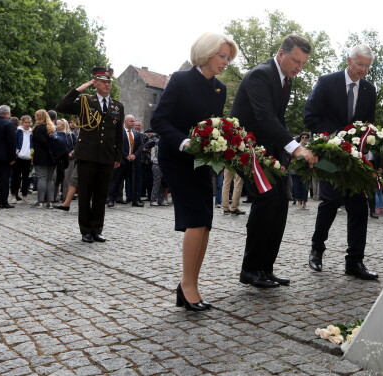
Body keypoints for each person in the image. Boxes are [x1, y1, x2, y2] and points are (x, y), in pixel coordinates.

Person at [151, 32, 238, 311]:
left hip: (203, 160)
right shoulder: (180, 79)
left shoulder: (220, 89)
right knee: (195, 218)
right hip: (176, 157)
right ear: (206, 52)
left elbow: (214, 125)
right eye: (221, 56)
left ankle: (191, 285)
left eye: (228, 57)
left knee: (206, 220)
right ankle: (187, 286)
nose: (225, 62)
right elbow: (159, 120)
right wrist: (183, 140)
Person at [230, 34, 317, 288]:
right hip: (245, 148)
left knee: (281, 201)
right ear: (281, 54)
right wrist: (296, 148)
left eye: (303, 64)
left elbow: (278, 120)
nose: (299, 68)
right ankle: (249, 269)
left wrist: (288, 151)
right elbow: (265, 117)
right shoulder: (261, 74)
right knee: (266, 198)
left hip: (266, 150)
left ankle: (265, 268)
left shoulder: (285, 80)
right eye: (296, 61)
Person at [304, 44, 379, 280]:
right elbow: (310, 117)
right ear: (349, 61)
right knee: (330, 200)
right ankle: (317, 250)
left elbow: (369, 125)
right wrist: (333, 138)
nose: (363, 70)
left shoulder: (369, 89)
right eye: (359, 65)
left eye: (367, 66)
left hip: (354, 157)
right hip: (328, 155)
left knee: (359, 208)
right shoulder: (327, 82)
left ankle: (354, 262)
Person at [56, 66, 124, 243]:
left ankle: (97, 229)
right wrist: (80, 89)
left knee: (101, 195)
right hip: (87, 155)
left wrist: (117, 157)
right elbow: (62, 106)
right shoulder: (85, 100)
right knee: (85, 194)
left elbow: (118, 134)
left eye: (109, 81)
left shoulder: (117, 106)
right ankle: (85, 230)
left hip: (107, 156)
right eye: (103, 81)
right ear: (95, 82)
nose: (107, 84)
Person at [107, 114, 144, 207]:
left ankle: (134, 200)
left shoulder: (137, 134)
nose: (134, 123)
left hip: (133, 162)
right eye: (132, 121)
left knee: (133, 181)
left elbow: (140, 146)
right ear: (126, 122)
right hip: (121, 161)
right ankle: (111, 200)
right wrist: (126, 155)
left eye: (134, 121)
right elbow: (117, 146)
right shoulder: (120, 133)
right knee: (116, 180)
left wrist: (134, 155)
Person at [32, 109, 57, 208]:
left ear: (39, 117)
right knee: (50, 179)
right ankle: (50, 201)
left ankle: (40, 201)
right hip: (52, 157)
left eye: (36, 115)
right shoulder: (52, 128)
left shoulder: (38, 128)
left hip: (41, 156)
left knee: (42, 178)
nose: (35, 117)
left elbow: (43, 142)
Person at [11, 115, 33, 203]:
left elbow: (33, 144)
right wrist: (16, 151)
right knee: (15, 177)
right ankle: (13, 195)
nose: (27, 124)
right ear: (22, 122)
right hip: (18, 157)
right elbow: (14, 143)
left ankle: (24, 196)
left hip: (28, 158)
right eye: (25, 122)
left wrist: (32, 153)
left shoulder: (32, 133)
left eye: (29, 122)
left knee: (26, 178)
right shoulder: (18, 132)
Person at [290, 132, 311, 210]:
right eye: (303, 137)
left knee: (305, 186)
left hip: (306, 169)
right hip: (296, 169)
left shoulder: (310, 147)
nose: (304, 139)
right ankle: (298, 201)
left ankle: (304, 202)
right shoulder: (296, 146)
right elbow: (291, 156)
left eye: (306, 137)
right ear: (300, 138)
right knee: (296, 185)